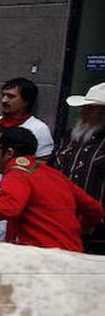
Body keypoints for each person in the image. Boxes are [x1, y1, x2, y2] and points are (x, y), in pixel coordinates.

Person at [0, 126, 103, 251]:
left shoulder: (16, 174)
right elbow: (95, 209)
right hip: (72, 253)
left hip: (41, 257)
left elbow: (9, 207)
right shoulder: (54, 174)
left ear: (9, 153)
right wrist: (76, 228)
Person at [0, 77, 53, 243]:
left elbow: (42, 166)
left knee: (6, 249)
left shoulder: (39, 128)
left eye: (11, 96)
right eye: (4, 95)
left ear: (26, 101)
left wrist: (12, 167)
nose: (4, 100)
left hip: (13, 201)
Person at [52, 82, 105, 253]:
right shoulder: (69, 137)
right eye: (85, 108)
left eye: (91, 109)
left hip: (97, 230)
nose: (83, 113)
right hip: (62, 221)